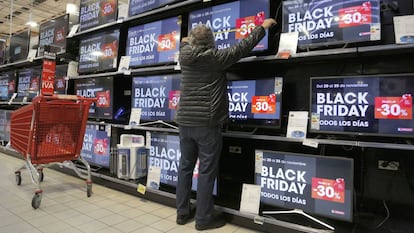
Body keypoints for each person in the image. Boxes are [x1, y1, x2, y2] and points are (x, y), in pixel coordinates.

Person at [175, 18, 277, 231]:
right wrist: (262, 27)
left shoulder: (184, 55)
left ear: (192, 41)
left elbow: (185, 43)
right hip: (207, 123)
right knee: (206, 171)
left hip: (184, 122)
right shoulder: (216, 58)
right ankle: (203, 219)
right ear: (212, 42)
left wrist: (186, 41)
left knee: (185, 168)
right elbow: (243, 47)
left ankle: (182, 213)